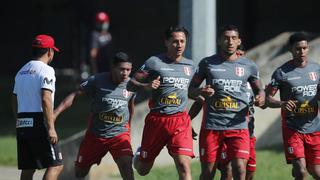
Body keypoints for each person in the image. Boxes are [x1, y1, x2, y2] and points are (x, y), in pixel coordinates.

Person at [188, 24, 265, 180]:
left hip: (238, 127)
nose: (230, 42)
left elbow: (260, 90)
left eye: (233, 38)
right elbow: (191, 91)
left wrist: (261, 97)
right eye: (226, 38)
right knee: (208, 173)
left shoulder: (249, 65)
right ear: (219, 41)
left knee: (239, 170)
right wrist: (200, 92)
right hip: (212, 127)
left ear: (239, 41)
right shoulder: (207, 63)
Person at [128, 26, 196, 180]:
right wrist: (146, 86)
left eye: (182, 41)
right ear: (166, 42)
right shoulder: (154, 62)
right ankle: (139, 156)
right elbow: (132, 82)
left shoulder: (191, 66)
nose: (179, 45)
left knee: (184, 166)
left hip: (180, 121)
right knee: (143, 169)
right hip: (157, 121)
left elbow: (191, 91)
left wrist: (202, 94)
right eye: (175, 41)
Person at [53, 52, 135, 179]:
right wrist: (55, 113)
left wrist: (128, 128)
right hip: (96, 136)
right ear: (113, 67)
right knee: (80, 172)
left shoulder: (131, 85)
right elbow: (75, 95)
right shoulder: (97, 80)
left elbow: (131, 106)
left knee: (126, 165)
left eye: (128, 70)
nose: (125, 73)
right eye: (122, 69)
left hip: (119, 134)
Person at [265, 32, 320, 179]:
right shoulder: (281, 73)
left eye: (304, 48)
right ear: (290, 49)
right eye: (297, 48)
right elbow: (267, 99)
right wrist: (281, 103)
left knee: (316, 172)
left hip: (314, 128)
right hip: (293, 128)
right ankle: (298, 169)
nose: (302, 52)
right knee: (301, 171)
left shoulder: (316, 69)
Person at [11, 34, 63, 180]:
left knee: (29, 166)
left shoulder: (21, 71)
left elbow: (14, 98)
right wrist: (51, 127)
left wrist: (18, 119)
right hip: (39, 121)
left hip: (22, 121)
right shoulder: (47, 70)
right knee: (56, 165)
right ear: (49, 51)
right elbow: (46, 98)